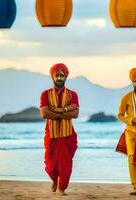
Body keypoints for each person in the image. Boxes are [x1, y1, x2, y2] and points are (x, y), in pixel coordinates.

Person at [39, 63, 79, 195]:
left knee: (66, 163)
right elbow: (44, 114)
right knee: (50, 164)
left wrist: (58, 111)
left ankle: (62, 188)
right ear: (53, 77)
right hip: (51, 133)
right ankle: (54, 179)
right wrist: (65, 112)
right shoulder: (45, 94)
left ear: (66, 77)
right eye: (57, 75)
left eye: (62, 75)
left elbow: (75, 114)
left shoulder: (73, 94)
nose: (60, 78)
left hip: (68, 134)